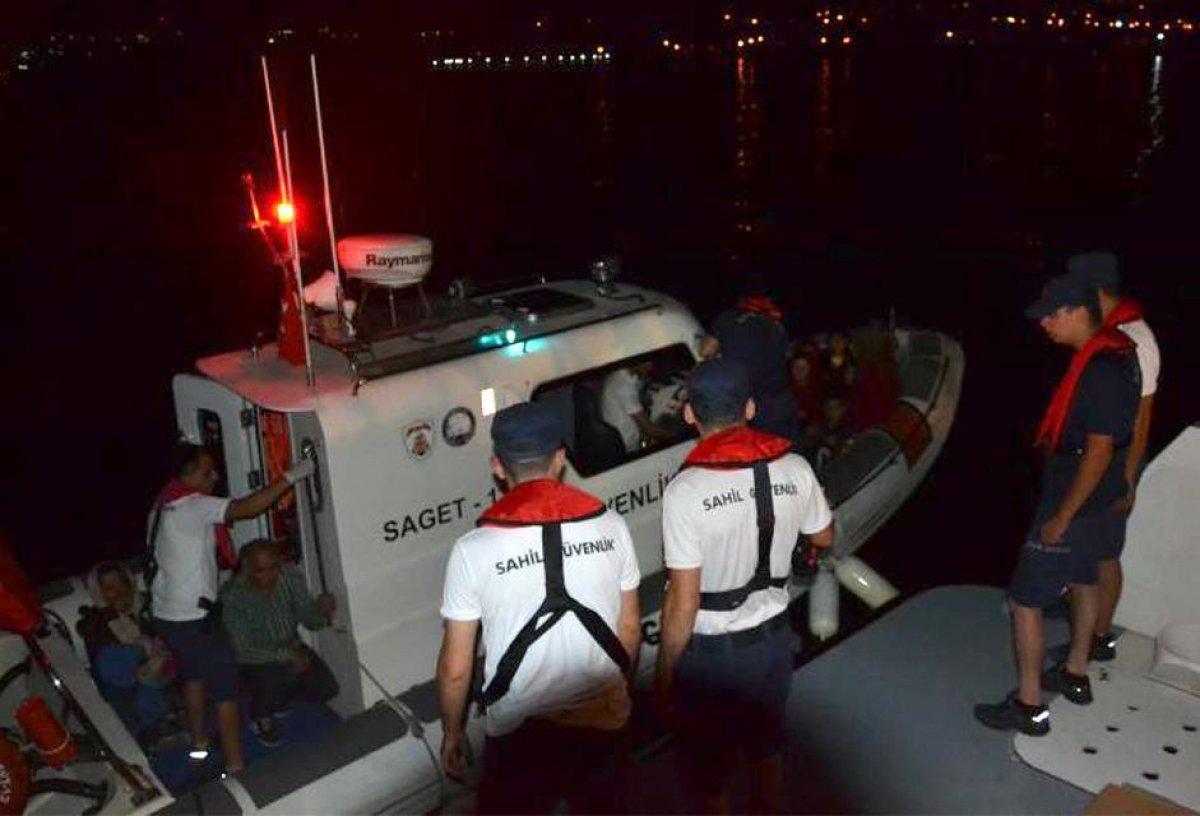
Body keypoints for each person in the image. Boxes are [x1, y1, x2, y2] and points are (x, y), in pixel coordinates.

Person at [437, 401, 641, 814]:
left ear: (498, 465)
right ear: (561, 459)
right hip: (601, 721)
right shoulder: (612, 526)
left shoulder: (472, 550)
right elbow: (630, 629)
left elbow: (456, 668)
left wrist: (452, 731)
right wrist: (620, 692)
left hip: (521, 735)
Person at [656, 358, 834, 812]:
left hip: (712, 659)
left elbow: (684, 599)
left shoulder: (686, 490)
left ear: (690, 414)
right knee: (766, 753)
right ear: (751, 408)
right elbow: (824, 536)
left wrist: (664, 673)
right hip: (773, 643)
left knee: (709, 776)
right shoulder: (794, 466)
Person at [974, 271, 1139, 736]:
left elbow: (1101, 447)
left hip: (1075, 501)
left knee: (1025, 602)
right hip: (1100, 499)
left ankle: (1029, 706)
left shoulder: (1101, 369)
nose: (1043, 323)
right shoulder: (1116, 353)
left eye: (1051, 315)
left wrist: (1060, 518)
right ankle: (1076, 673)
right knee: (1084, 581)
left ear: (1078, 312)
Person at [147, 443, 314, 771]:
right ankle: (238, 768)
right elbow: (249, 507)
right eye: (208, 471)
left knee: (194, 676)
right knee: (226, 691)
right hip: (193, 620)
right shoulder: (191, 505)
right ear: (190, 474)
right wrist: (293, 476)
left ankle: (199, 744)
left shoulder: (161, 506)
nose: (216, 476)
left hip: (166, 615)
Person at [1067, 252, 1161, 661]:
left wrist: (1127, 478)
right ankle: (1090, 624)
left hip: (1116, 461)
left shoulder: (1136, 338)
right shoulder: (1105, 331)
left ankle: (1099, 636)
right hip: (1099, 456)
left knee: (1104, 552)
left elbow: (1143, 415)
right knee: (1093, 547)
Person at [220, 541, 339, 747]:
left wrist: (323, 612)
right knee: (280, 676)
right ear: (247, 569)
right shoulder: (232, 596)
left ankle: (281, 698)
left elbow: (310, 620)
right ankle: (261, 716)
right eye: (261, 570)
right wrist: (287, 656)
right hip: (255, 660)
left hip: (292, 646)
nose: (270, 576)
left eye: (275, 567)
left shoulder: (289, 579)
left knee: (327, 688)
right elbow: (243, 651)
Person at [77, 562, 176, 746]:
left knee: (151, 675)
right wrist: (143, 651)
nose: (120, 591)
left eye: (122, 583)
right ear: (100, 594)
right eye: (110, 588)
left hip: (161, 672)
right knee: (125, 664)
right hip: (126, 681)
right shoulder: (97, 622)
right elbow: (108, 670)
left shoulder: (150, 606)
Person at [703, 288, 801, 444]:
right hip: (779, 402)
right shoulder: (776, 324)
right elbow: (788, 356)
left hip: (749, 404)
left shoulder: (727, 320)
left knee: (755, 453)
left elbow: (706, 351)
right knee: (787, 451)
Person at [600, 360, 673, 453]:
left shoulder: (625, 375)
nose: (650, 366)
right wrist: (675, 437)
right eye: (647, 362)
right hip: (627, 446)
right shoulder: (623, 385)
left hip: (633, 434)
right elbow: (648, 428)